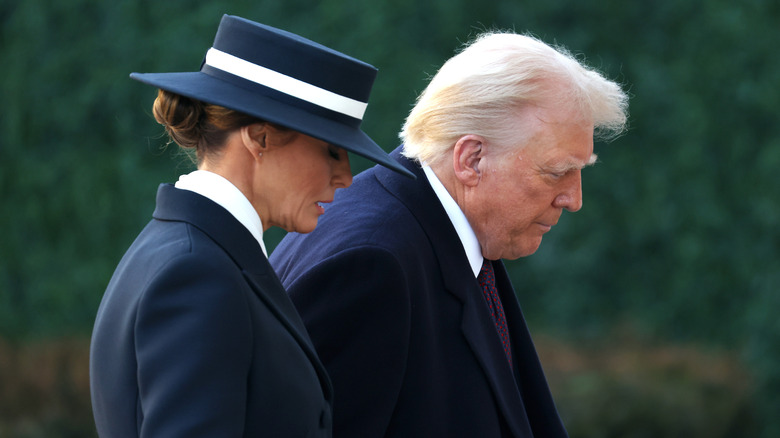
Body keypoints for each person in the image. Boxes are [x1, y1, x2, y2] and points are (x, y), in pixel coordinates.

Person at [270, 31, 628, 437]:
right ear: (471, 159)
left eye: (580, 171)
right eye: (557, 172)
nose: (574, 198)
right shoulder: (373, 264)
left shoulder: (450, 229)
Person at [89, 14, 413, 438]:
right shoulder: (198, 275)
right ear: (259, 138)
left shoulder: (193, 253)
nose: (346, 177)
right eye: (332, 150)